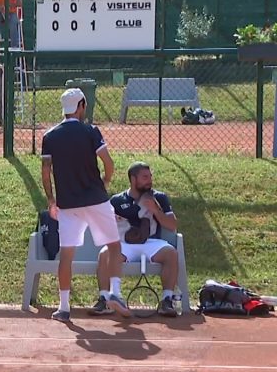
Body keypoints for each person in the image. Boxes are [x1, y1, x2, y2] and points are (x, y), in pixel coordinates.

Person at [40, 88, 128, 322]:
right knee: (114, 246)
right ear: (81, 105)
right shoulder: (90, 131)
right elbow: (108, 163)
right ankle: (115, 293)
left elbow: (45, 172)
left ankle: (64, 307)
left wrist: (51, 200)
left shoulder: (50, 136)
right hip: (96, 199)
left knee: (66, 255)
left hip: (68, 204)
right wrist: (106, 182)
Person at [91, 162, 180, 318]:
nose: (149, 180)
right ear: (133, 179)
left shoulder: (159, 197)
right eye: (145, 177)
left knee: (171, 253)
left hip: (152, 243)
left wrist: (155, 210)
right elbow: (100, 224)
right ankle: (106, 299)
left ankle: (167, 301)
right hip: (125, 244)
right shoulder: (117, 200)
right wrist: (111, 219)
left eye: (150, 177)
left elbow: (172, 225)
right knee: (105, 253)